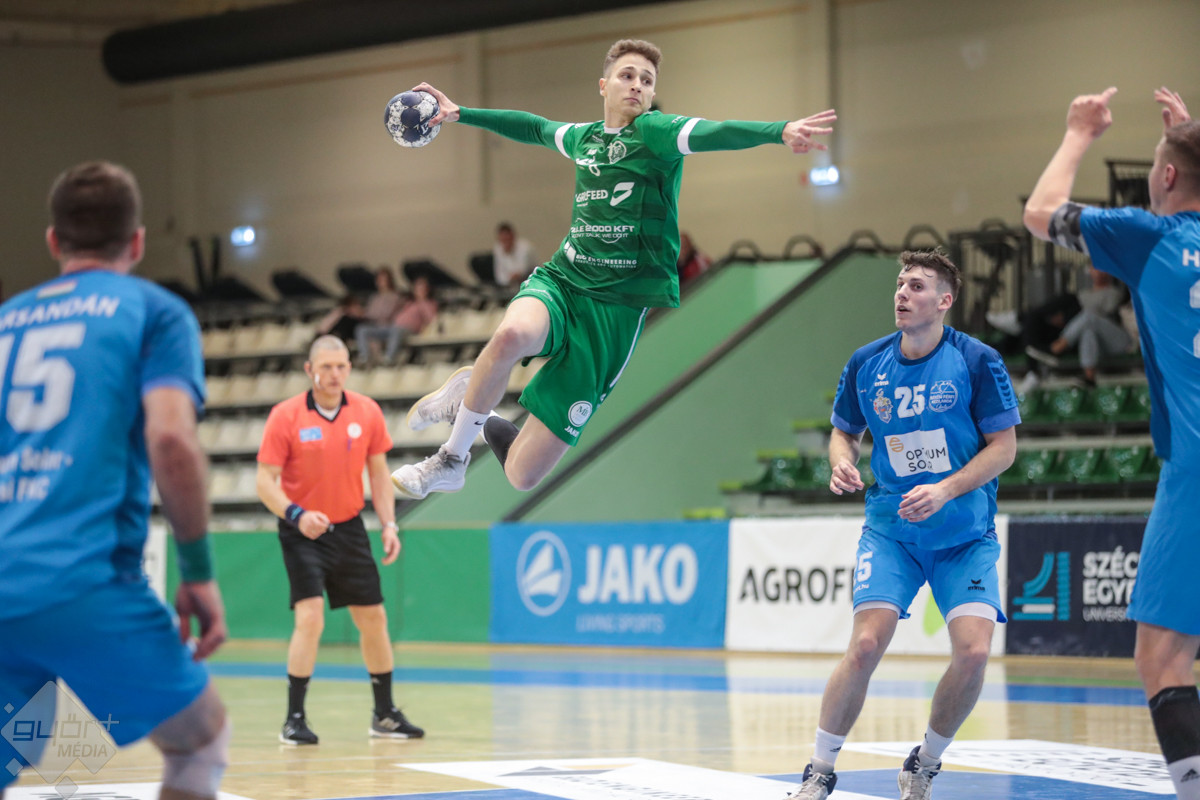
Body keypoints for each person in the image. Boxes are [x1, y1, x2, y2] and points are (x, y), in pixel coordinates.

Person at [391, 38, 836, 499]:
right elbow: (534, 127)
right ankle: (451, 459)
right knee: (511, 335)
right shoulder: (583, 138)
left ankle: (472, 399)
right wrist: (461, 113)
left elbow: (715, 132)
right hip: (565, 282)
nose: (637, 85)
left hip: (613, 316)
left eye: (647, 79)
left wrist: (779, 131)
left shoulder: (657, 132)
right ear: (604, 86)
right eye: (627, 75)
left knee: (523, 475)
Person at [0, 161, 230, 799]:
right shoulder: (154, 312)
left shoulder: (6, 320)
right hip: (84, 583)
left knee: (17, 747)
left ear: (54, 240)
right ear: (137, 241)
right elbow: (171, 439)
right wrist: (198, 569)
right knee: (200, 740)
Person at [788, 249, 1019, 800]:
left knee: (974, 653)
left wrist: (944, 489)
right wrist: (840, 461)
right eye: (899, 284)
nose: (902, 293)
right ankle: (819, 771)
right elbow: (844, 432)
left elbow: (1005, 449)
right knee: (865, 645)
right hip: (893, 531)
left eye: (916, 286)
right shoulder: (867, 362)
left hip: (963, 533)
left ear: (944, 301)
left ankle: (925, 763)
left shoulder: (976, 359)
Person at [1024, 85, 1200, 800]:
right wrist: (1186, 137)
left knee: (1163, 656)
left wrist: (1079, 133)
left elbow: (1041, 212)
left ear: (1166, 175)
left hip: (1196, 467)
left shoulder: (1151, 236)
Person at [255, 334, 423, 745]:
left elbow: (379, 474)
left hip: (348, 527)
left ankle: (384, 714)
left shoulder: (366, 411)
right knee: (310, 617)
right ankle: (294, 719)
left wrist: (389, 524)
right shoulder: (285, 416)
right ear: (309, 370)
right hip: (301, 529)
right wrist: (296, 515)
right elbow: (264, 482)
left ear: (349, 368)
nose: (334, 374)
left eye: (341, 366)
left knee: (374, 618)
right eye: (326, 367)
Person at [1025, 266, 1134, 386]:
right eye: (1095, 268)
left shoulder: (1115, 293)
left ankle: (1056, 348)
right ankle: (1089, 378)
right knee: (1088, 331)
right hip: (1100, 344)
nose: (1098, 272)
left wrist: (1076, 315)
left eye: (1101, 268)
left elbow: (1100, 315)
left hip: (1121, 341)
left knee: (1089, 317)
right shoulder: (1083, 294)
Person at [354, 266, 403, 364]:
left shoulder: (395, 296)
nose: (380, 282)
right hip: (375, 326)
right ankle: (364, 357)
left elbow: (386, 313)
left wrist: (366, 313)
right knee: (361, 329)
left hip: (388, 327)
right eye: (379, 280)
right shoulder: (375, 297)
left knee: (396, 331)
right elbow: (370, 311)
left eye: (383, 280)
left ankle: (388, 358)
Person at [492, 222, 537, 287]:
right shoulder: (498, 249)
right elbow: (499, 276)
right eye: (503, 240)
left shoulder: (525, 247)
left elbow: (523, 271)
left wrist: (511, 277)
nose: (506, 242)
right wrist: (508, 279)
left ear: (513, 236)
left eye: (508, 239)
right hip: (512, 285)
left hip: (532, 280)